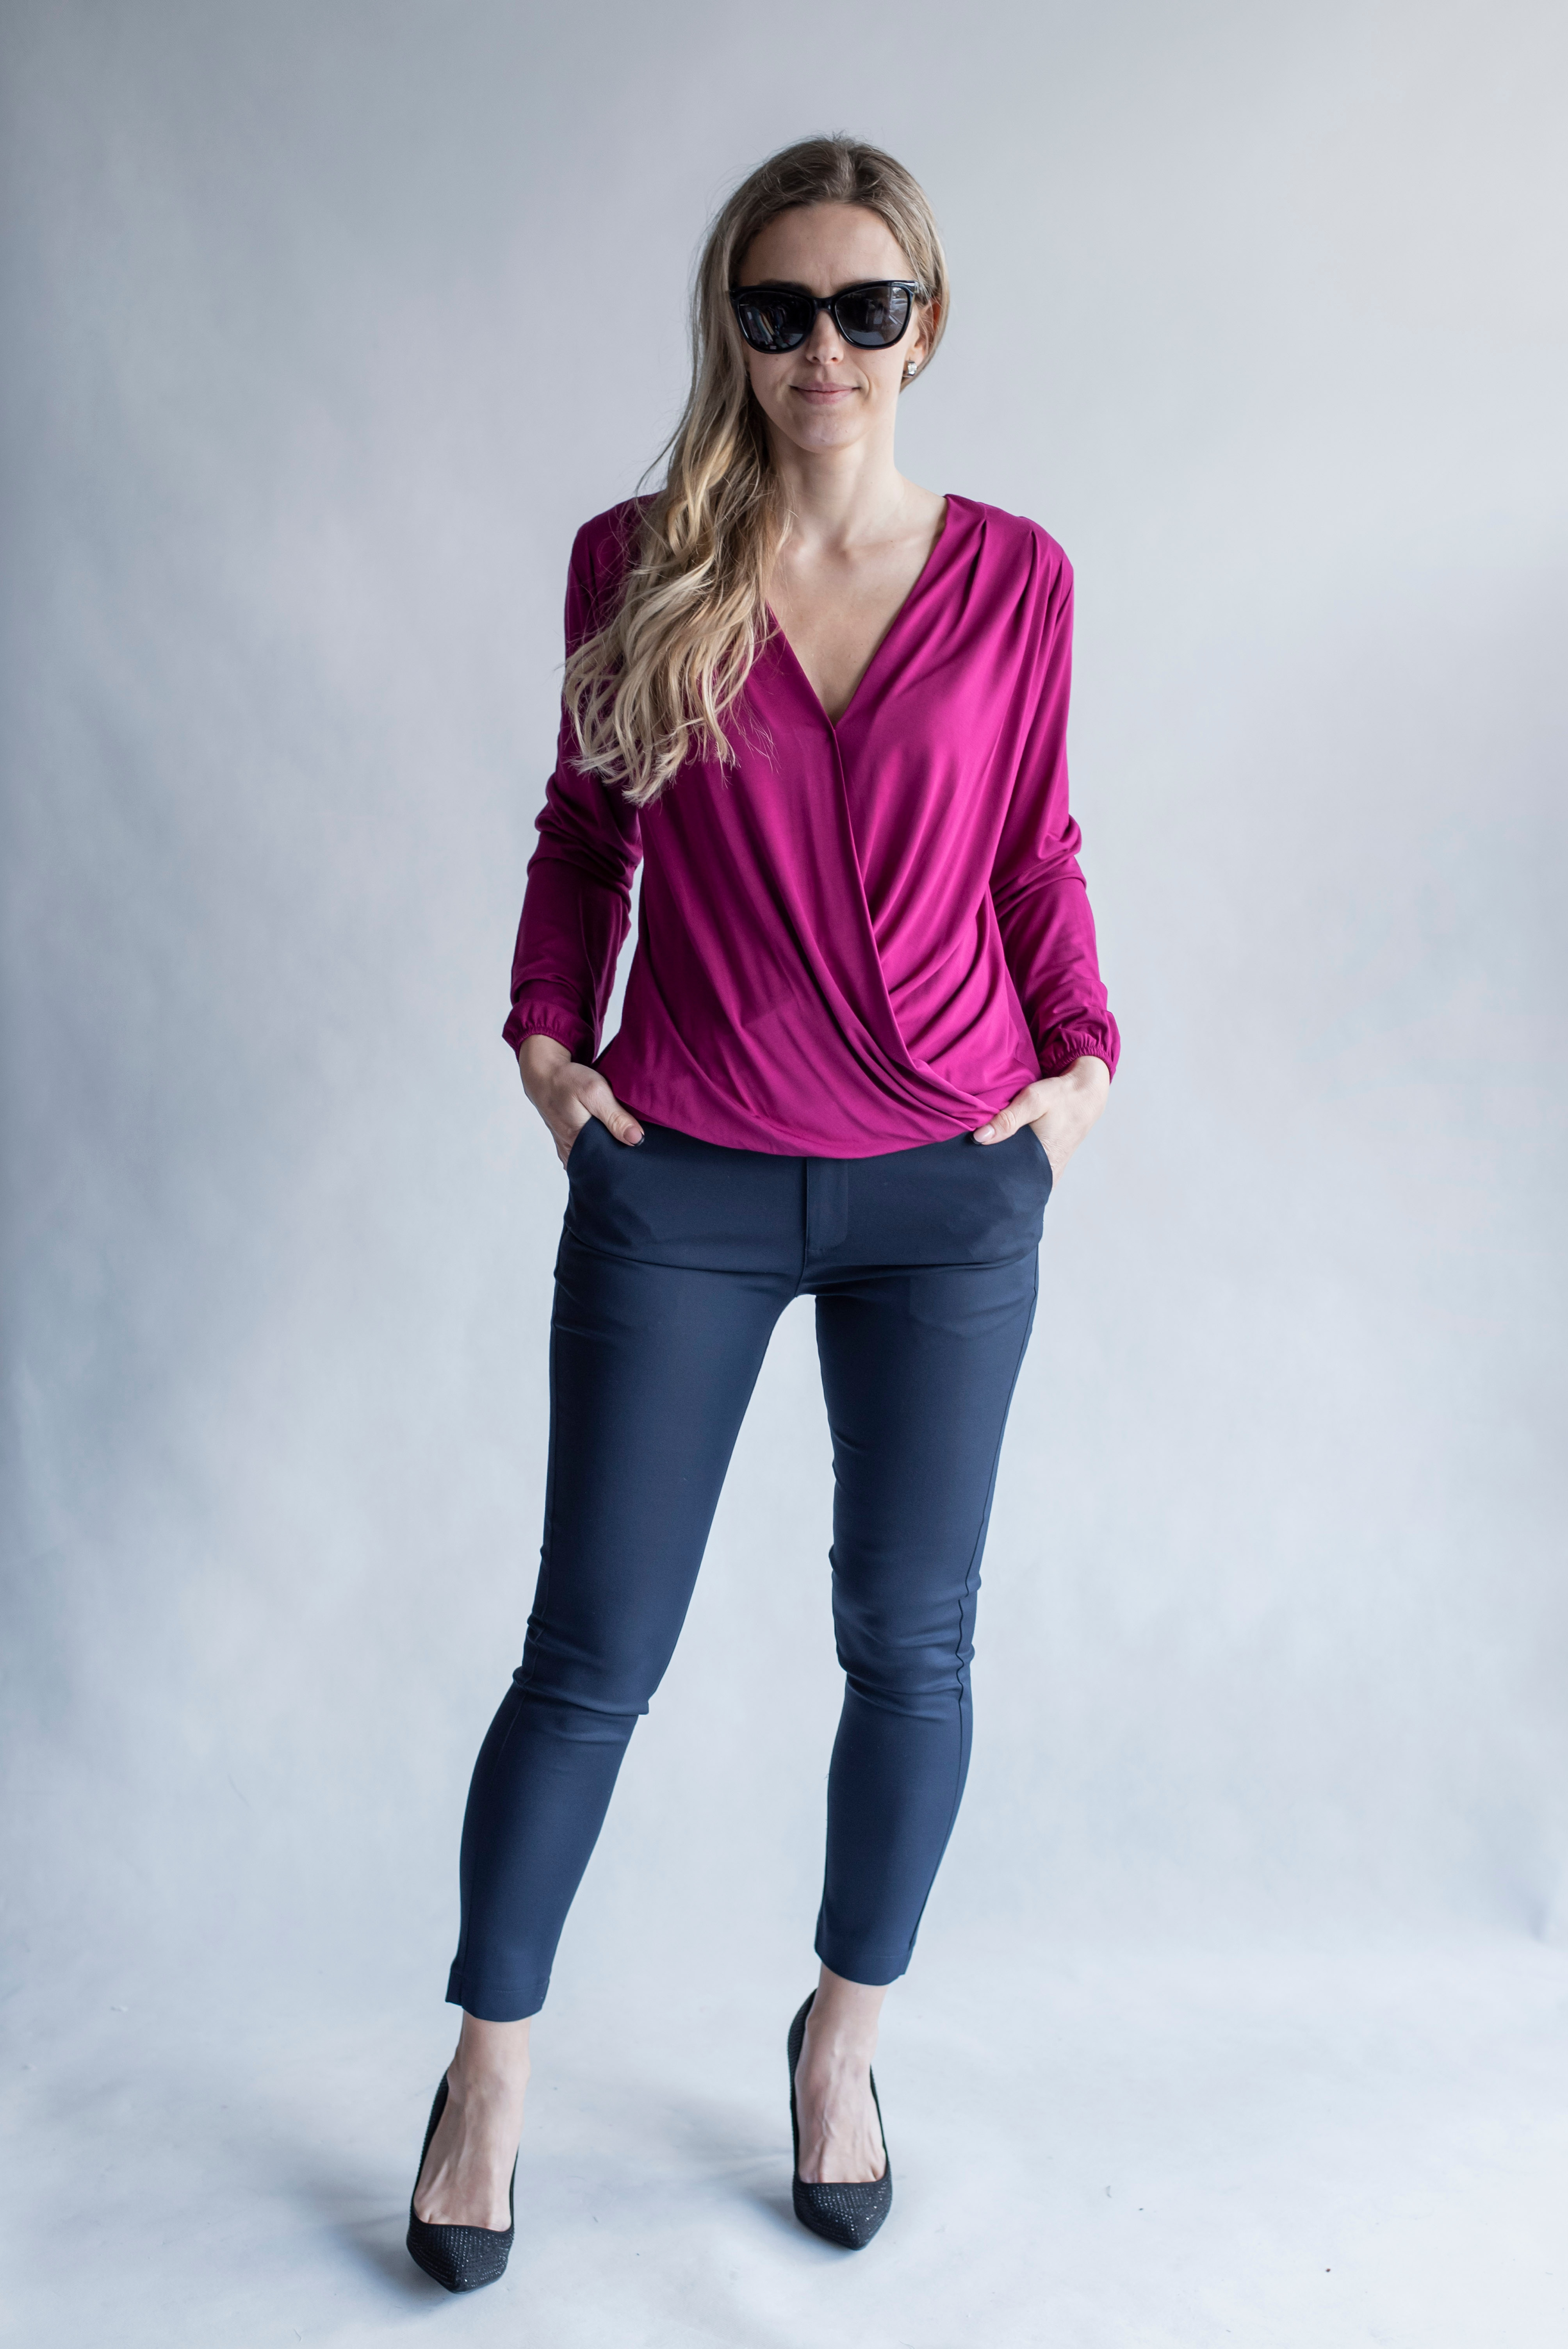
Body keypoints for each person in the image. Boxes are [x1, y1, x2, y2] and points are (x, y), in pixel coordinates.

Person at [406, 134, 1117, 2290]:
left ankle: (841, 2045)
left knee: (911, 1640)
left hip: (949, 1188)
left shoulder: (1017, 577)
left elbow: (1035, 846)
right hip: (686, 1179)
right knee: (592, 1653)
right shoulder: (636, 563)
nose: (824, 348)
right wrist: (552, 1056)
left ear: (925, 325)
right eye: (779, 309)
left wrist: (1082, 1071)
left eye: (863, 308)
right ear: (732, 326)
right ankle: (486, 2075)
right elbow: (582, 832)